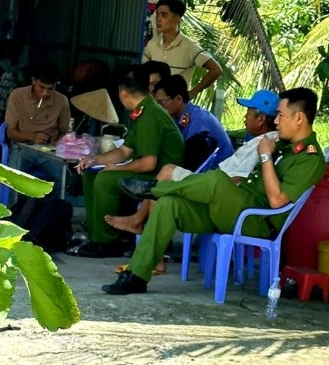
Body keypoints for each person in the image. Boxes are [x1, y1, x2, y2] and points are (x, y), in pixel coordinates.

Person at [102, 87, 326, 295]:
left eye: (281, 115)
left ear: (299, 118)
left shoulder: (310, 158)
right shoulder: (284, 145)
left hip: (256, 221)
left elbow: (277, 201)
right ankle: (137, 277)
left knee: (218, 181)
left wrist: (266, 156)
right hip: (232, 210)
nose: (276, 121)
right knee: (169, 204)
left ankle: (154, 188)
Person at [106, 89, 279, 274]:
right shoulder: (256, 140)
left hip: (218, 192)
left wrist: (207, 185)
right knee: (166, 186)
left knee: (166, 173)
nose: (245, 116)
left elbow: (239, 178)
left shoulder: (265, 144)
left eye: (249, 112)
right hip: (212, 183)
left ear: (260, 119)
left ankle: (142, 222)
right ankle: (145, 230)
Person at [72, 64, 185, 258]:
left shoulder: (151, 115)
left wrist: (113, 168)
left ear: (123, 94)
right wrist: (94, 159)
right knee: (91, 175)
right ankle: (96, 235)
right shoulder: (144, 111)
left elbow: (148, 163)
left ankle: (107, 242)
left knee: (105, 179)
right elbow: (125, 151)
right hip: (153, 171)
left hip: (161, 177)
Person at [4, 61, 71, 201]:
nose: (45, 93)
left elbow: (65, 131)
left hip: (49, 151)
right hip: (22, 148)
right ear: (33, 80)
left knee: (63, 178)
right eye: (41, 87)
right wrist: (32, 136)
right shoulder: (17, 95)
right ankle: (12, 215)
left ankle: (52, 215)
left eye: (50, 89)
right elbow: (10, 132)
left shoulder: (62, 101)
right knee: (14, 176)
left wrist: (57, 144)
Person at [142, 0, 222, 99]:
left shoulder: (190, 46)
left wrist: (193, 92)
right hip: (154, 104)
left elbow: (216, 70)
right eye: (157, 14)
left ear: (176, 18)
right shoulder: (152, 44)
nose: (158, 19)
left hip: (177, 107)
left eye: (164, 15)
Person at [152, 75, 233, 168]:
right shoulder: (179, 117)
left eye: (161, 102)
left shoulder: (198, 119)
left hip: (217, 171)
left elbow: (190, 156)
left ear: (178, 99)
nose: (159, 107)